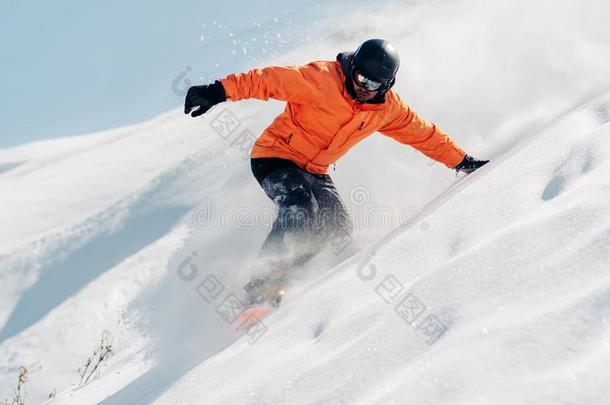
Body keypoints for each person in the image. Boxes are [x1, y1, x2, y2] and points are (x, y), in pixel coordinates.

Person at [184, 39, 489, 304]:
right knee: (299, 207)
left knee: (337, 228)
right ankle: (262, 286)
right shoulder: (320, 79)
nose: (361, 86)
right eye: (359, 76)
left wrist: (461, 162)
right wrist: (217, 91)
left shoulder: (387, 110)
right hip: (275, 156)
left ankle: (296, 278)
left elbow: (423, 134)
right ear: (352, 65)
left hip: (315, 169)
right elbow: (267, 80)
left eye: (372, 84)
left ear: (387, 86)